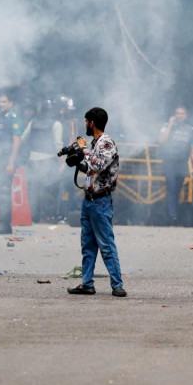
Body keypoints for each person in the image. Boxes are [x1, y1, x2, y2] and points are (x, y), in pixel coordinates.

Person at [68, 107, 126, 298]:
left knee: (106, 245)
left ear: (92, 123)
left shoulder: (106, 143)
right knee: (88, 245)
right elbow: (91, 169)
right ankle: (87, 284)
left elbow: (97, 164)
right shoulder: (96, 144)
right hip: (89, 201)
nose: (85, 124)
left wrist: (83, 149)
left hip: (101, 202)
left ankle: (117, 285)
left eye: (86, 121)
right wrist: (77, 161)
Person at [25, 99, 64, 223]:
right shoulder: (56, 124)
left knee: (34, 188)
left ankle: (33, 215)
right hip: (49, 160)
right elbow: (58, 145)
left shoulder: (33, 122)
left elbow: (24, 138)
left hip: (33, 159)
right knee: (50, 188)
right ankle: (48, 216)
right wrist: (61, 162)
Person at [158, 105, 193, 225]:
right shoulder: (166, 126)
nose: (180, 115)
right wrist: (170, 125)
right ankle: (172, 216)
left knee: (178, 189)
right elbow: (161, 140)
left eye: (182, 113)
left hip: (182, 162)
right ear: (174, 115)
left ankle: (172, 213)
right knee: (171, 187)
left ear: (185, 116)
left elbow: (192, 148)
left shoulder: (189, 129)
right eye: (178, 113)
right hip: (169, 161)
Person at [0, 93, 23, 234]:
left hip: (7, 160)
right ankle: (1, 223)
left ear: (10, 103)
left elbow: (16, 141)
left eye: (4, 102)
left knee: (3, 192)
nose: (1, 104)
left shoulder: (14, 119)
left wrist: (11, 163)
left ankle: (4, 225)